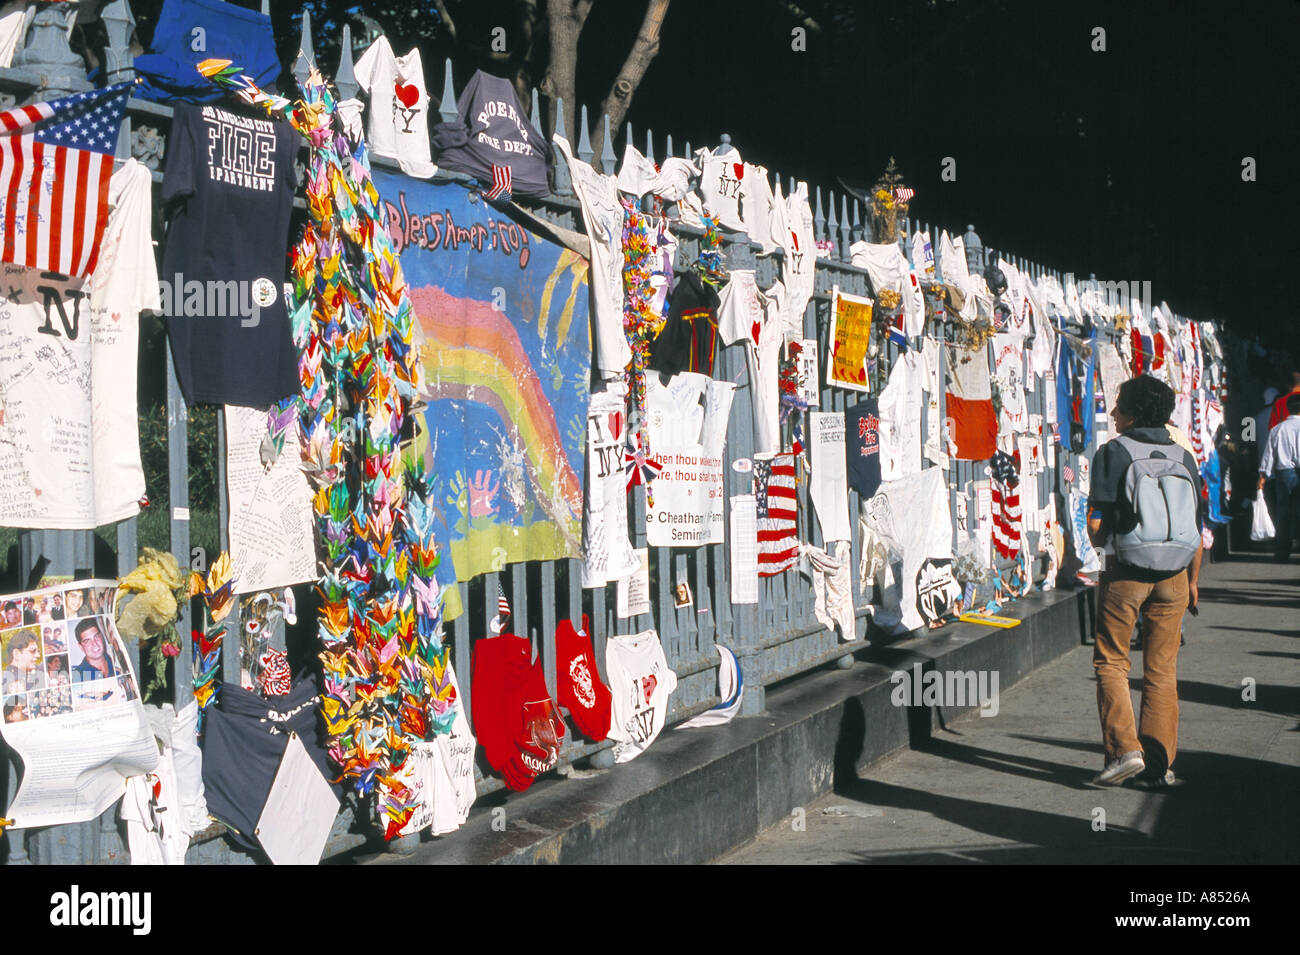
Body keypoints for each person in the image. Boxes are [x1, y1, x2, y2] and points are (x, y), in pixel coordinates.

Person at [1087, 375, 1203, 787]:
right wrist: (1192, 580)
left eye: (1118, 405)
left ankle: (1124, 751)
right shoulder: (1183, 456)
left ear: (1133, 413)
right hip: (1174, 574)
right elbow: (1196, 525)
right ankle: (1158, 765)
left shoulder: (1113, 452)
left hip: (1127, 572)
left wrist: (1102, 544)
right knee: (1162, 669)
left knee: (1113, 661)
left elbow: (1097, 521)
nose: (1113, 412)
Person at [1258, 391, 1300, 563]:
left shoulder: (1277, 428)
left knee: (1283, 512)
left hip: (1283, 474)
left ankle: (1283, 550)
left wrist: (1263, 475)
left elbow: (1268, 455)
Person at [71, 619, 118, 684]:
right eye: (87, 641)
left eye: (96, 636)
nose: (95, 644)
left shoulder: (115, 660)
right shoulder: (77, 677)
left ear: (101, 637)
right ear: (81, 647)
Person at [3, 630, 46, 696]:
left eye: (38, 651)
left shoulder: (29, 672)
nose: (38, 655)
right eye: (32, 651)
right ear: (16, 654)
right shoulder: (10, 683)